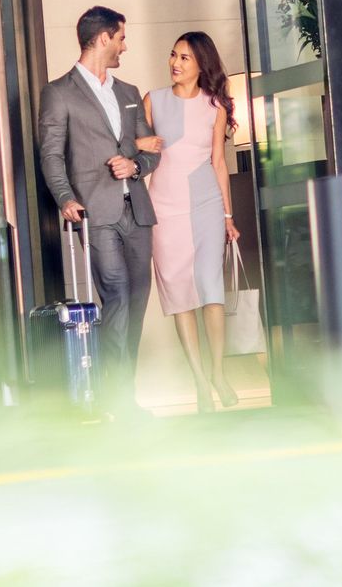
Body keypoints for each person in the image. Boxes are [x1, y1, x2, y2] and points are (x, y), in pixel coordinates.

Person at [38, 5, 161, 410]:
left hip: (138, 212)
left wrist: (136, 163)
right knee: (118, 296)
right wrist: (65, 197)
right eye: (121, 37)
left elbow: (152, 151)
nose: (125, 46)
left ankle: (122, 392)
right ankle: (119, 399)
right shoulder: (58, 93)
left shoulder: (128, 93)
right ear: (103, 38)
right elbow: (52, 154)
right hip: (95, 212)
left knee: (138, 299)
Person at [141, 31, 242, 413]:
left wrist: (228, 215)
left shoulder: (215, 106)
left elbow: (219, 161)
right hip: (163, 207)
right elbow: (133, 144)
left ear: (201, 64)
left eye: (184, 57)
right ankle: (200, 381)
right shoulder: (153, 100)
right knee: (180, 292)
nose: (175, 63)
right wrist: (137, 145)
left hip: (206, 204)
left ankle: (218, 372)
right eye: (172, 55)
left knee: (210, 289)